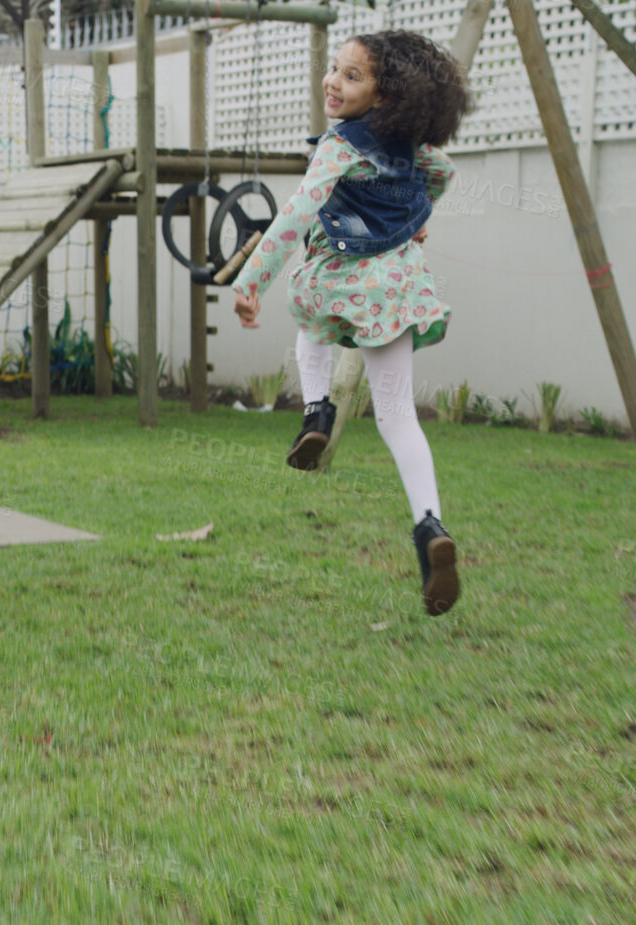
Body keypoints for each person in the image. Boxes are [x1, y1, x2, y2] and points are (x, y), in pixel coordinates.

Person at [231, 29, 473, 617]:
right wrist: (416, 218)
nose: (333, 82)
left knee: (309, 320)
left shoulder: (339, 145)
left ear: (386, 98)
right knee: (398, 416)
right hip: (395, 287)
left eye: (352, 76)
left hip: (342, 277)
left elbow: (296, 215)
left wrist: (252, 280)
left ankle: (317, 412)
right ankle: (428, 526)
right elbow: (443, 176)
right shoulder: (416, 149)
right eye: (335, 69)